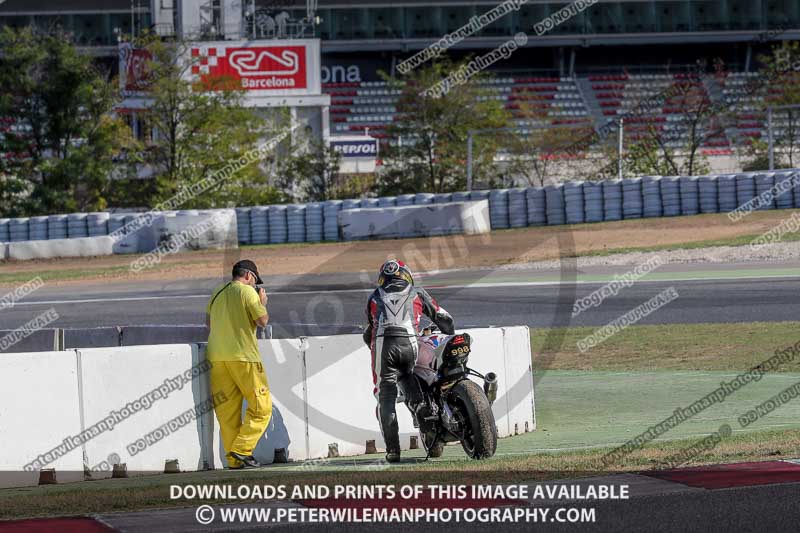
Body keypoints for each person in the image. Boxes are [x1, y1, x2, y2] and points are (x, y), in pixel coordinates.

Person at [362, 259, 454, 463]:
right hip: (410, 345)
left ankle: (393, 451)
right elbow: (444, 318)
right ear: (406, 274)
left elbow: (369, 332)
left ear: (383, 278)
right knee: (408, 377)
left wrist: (374, 349)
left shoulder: (374, 297)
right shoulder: (417, 291)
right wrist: (449, 336)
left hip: (384, 346)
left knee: (385, 397)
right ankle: (427, 419)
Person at [206, 259, 271, 469]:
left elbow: (208, 322)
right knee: (262, 407)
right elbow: (263, 322)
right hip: (244, 357)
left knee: (227, 413)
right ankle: (242, 449)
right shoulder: (248, 292)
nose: (255, 285)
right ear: (249, 276)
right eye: (254, 282)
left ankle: (234, 461)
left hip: (217, 358)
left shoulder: (217, 291)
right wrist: (261, 303)